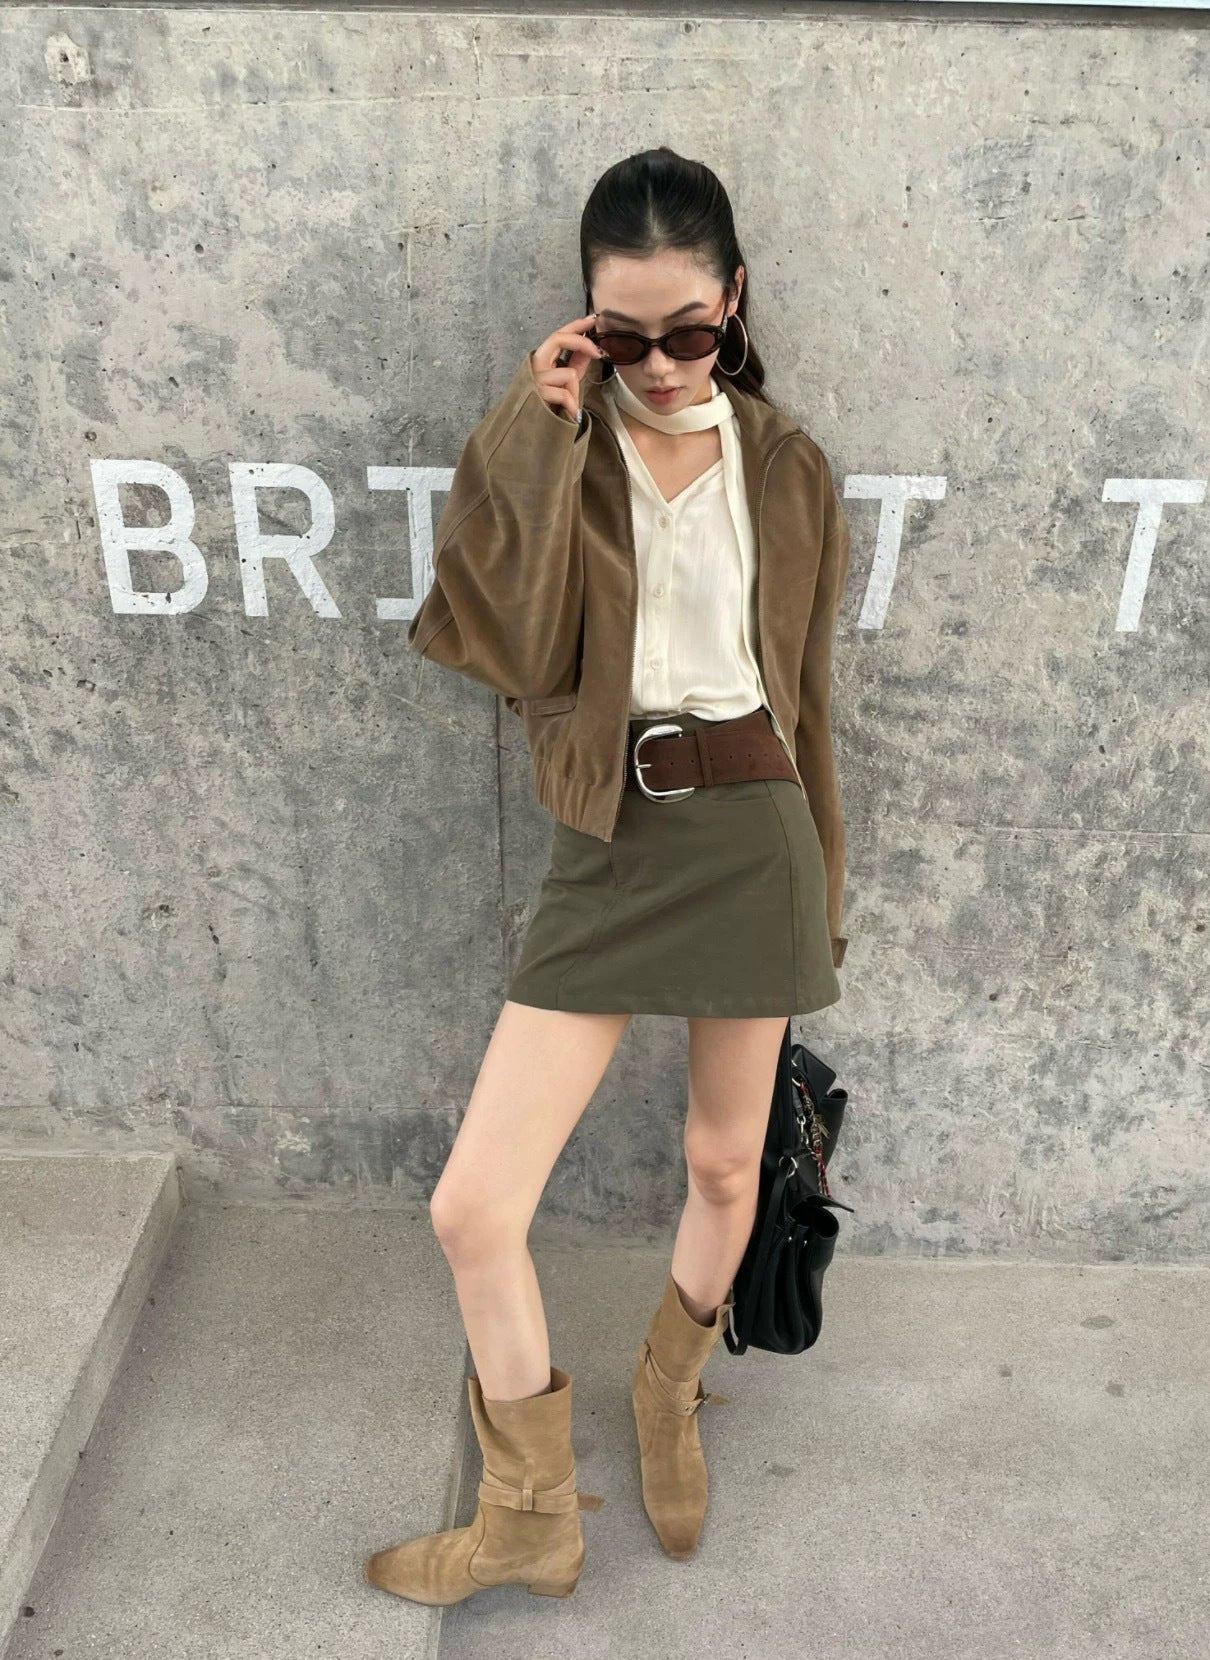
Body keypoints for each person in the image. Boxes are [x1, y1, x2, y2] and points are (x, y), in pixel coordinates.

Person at [365, 146, 851, 1604]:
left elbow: (808, 697)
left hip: (754, 832)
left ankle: (666, 1394)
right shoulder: (558, 447)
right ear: (586, 322)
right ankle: (528, 1516)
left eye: (686, 331)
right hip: (609, 835)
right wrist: (534, 427)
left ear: (733, 301)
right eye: (624, 336)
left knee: (723, 1162)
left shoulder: (786, 466)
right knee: (473, 1207)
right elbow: (501, 644)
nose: (659, 364)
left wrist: (823, 887)